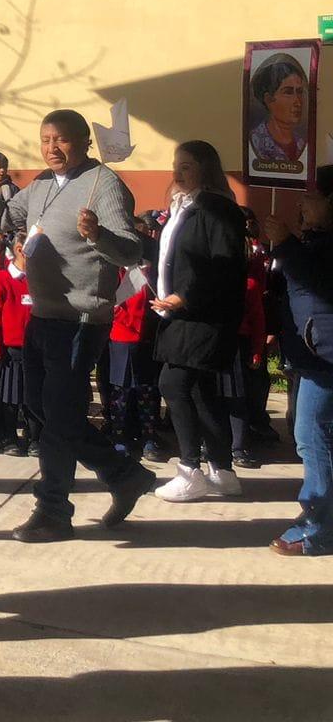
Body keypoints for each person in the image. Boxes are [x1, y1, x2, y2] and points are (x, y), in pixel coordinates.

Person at [0, 111, 156, 542]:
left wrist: (98, 234)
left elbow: (130, 250)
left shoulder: (103, 183)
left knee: (58, 417)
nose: (52, 148)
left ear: (83, 142)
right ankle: (123, 474)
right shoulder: (42, 186)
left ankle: (53, 510)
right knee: (43, 409)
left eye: (62, 140)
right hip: (43, 313)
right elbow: (3, 220)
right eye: (46, 139)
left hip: (81, 319)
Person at [149, 141, 248, 502]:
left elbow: (224, 266)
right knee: (200, 389)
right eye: (176, 166)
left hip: (203, 316)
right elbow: (175, 257)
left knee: (173, 383)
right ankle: (221, 470)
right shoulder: (185, 207)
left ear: (206, 169)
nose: (177, 174)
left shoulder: (217, 209)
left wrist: (184, 295)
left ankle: (189, 468)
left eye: (187, 167)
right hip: (182, 313)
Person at [260, 165, 333, 555]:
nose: (303, 204)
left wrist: (287, 244)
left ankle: (319, 529)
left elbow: (320, 286)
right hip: (310, 353)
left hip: (325, 358)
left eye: (312, 197)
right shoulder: (314, 239)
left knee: (311, 438)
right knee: (316, 436)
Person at [220, 223, 271, 469]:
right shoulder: (213, 280)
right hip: (214, 342)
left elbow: (258, 321)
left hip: (238, 343)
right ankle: (211, 444)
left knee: (237, 397)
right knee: (214, 396)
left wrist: (257, 350)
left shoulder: (250, 284)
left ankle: (238, 446)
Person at [106, 255, 163, 463]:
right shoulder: (118, 271)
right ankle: (119, 436)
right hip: (122, 336)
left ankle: (148, 437)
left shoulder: (152, 271)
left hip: (147, 338)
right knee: (120, 390)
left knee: (146, 390)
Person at [0, 239, 33, 456]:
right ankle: (9, 437)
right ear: (20, 249)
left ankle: (34, 438)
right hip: (11, 350)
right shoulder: (2, 278)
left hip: (37, 349)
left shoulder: (41, 280)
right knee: (10, 398)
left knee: (33, 398)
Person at [247, 53, 309, 171]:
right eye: (288, 92)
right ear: (268, 99)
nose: (298, 102)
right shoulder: (258, 141)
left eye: (300, 92)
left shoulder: (300, 143)